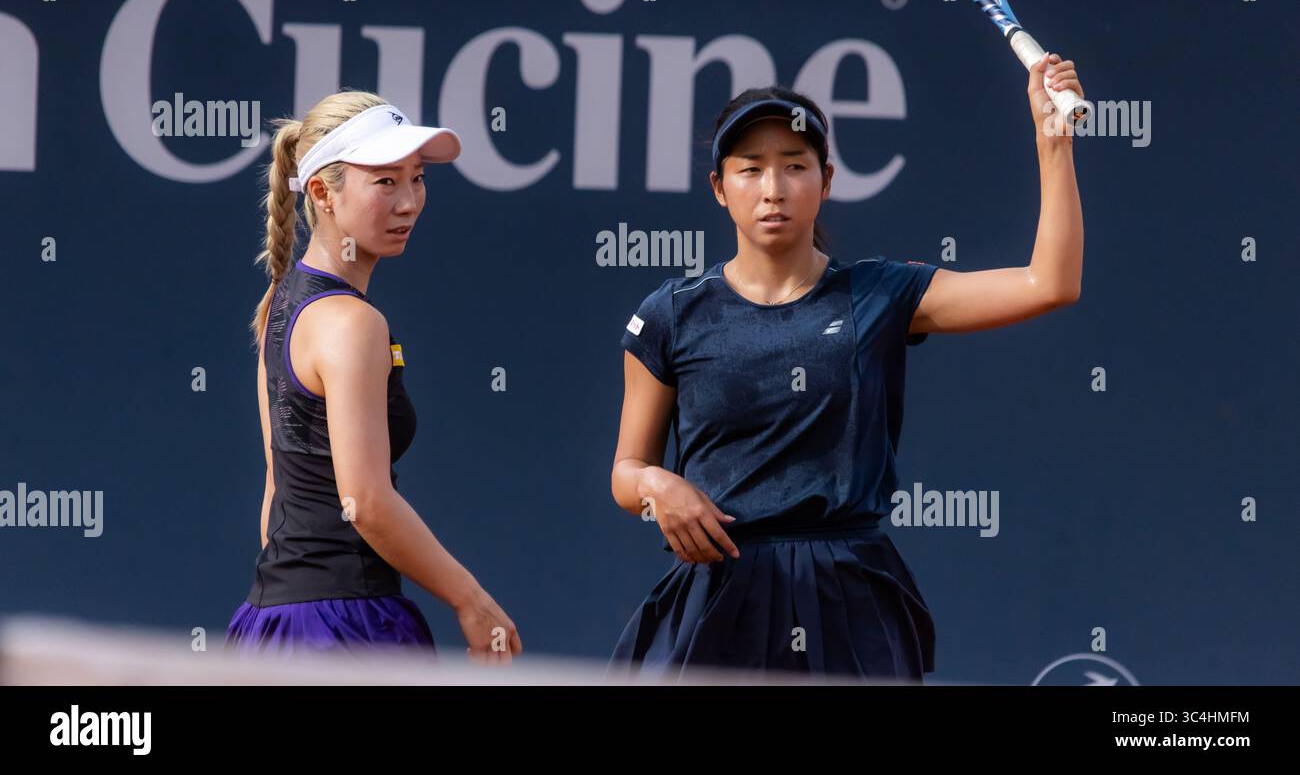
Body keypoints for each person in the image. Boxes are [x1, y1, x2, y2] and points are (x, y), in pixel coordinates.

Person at [609, 56, 1084, 680]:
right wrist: (654, 486)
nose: (773, 188)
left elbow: (1048, 284)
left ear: (826, 180)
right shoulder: (670, 314)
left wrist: (1054, 142)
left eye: (795, 167)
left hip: (847, 596)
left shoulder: (880, 295)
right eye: (750, 170)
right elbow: (626, 470)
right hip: (713, 593)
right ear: (720, 189)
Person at [226, 90, 522, 664]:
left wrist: (295, 612)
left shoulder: (279, 307)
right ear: (322, 193)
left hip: (270, 623)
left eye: (416, 178)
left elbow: (276, 496)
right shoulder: (354, 323)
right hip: (345, 629)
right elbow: (364, 501)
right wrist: (473, 602)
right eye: (384, 182)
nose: (409, 201)